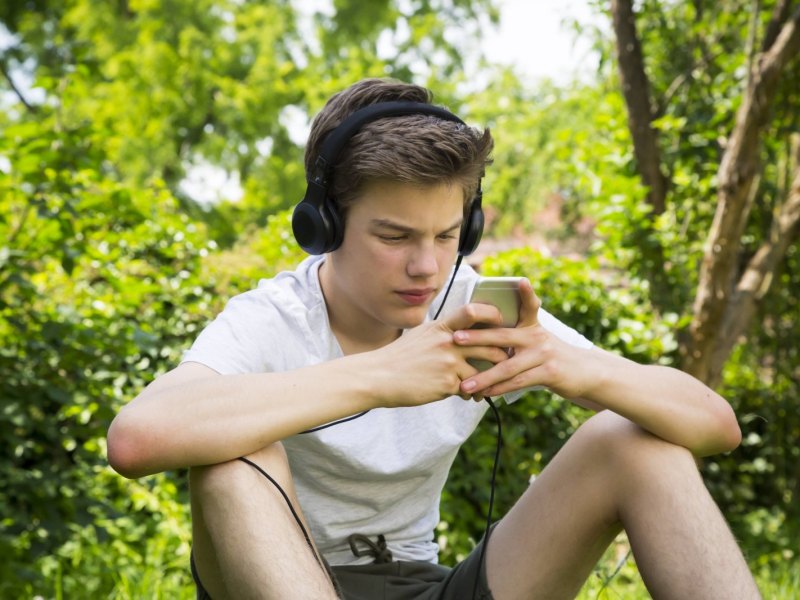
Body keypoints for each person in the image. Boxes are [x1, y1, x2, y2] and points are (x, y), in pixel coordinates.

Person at [107, 78, 761, 600]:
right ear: (324, 223)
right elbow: (137, 438)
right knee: (233, 458)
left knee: (631, 441)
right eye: (394, 237)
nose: (426, 267)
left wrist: (568, 366)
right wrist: (380, 376)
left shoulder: (469, 304)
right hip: (280, 579)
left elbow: (715, 427)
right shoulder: (276, 316)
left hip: (427, 585)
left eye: (447, 236)